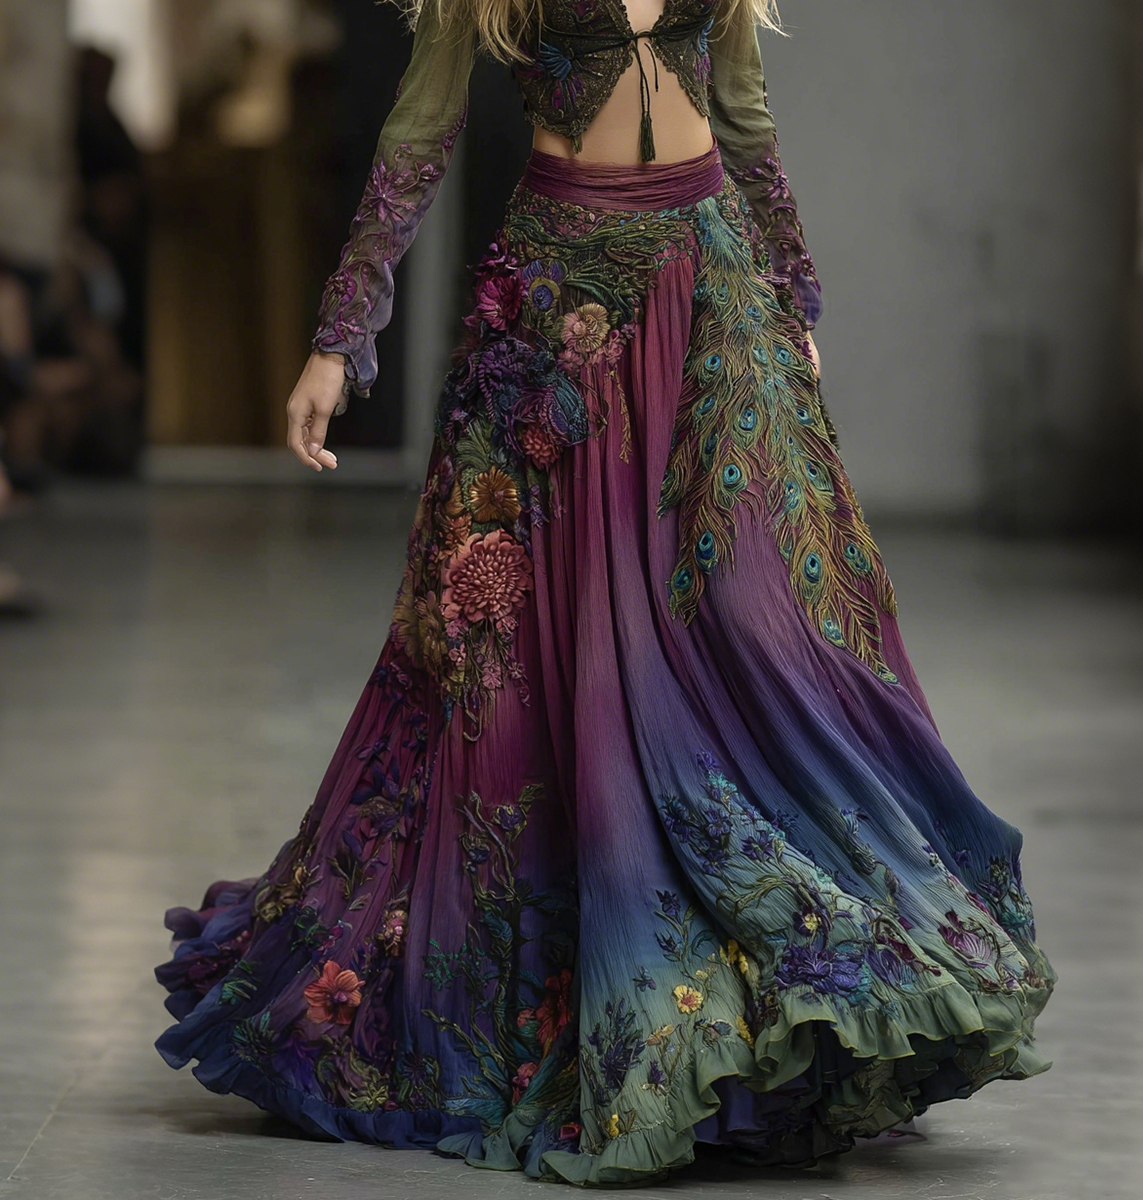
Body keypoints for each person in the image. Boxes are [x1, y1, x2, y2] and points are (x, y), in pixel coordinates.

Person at [153, 0, 1057, 1187]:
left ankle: (811, 966)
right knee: (512, 666)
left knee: (766, 627)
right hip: (556, 307)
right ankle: (589, 991)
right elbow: (418, 133)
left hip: (711, 292)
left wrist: (790, 285)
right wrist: (339, 334)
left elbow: (743, 112)